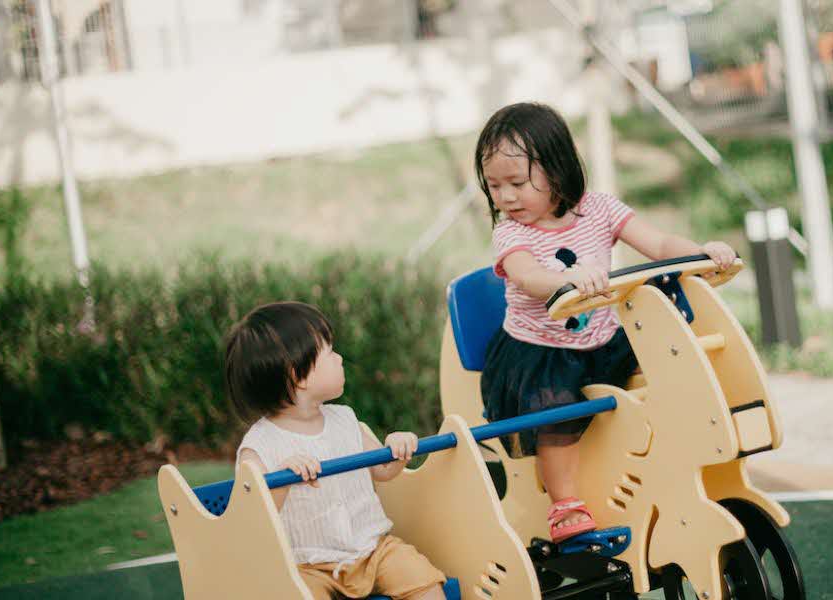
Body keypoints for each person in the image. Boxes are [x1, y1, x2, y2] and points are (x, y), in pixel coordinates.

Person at [474, 102, 738, 543]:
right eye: (494, 186)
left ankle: (676, 452)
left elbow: (657, 242)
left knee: (660, 354)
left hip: (601, 338)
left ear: (556, 170)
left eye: (517, 183)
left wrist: (700, 253)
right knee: (557, 412)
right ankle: (564, 505)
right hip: (540, 354)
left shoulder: (598, 209)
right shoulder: (512, 233)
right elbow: (528, 276)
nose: (505, 197)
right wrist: (563, 280)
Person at [226, 301, 446, 600]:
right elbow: (252, 511)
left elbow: (383, 470)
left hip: (373, 550)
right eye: (329, 352)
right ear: (297, 376)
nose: (339, 358)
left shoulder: (345, 419)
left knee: (421, 577)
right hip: (305, 565)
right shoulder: (259, 446)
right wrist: (281, 479)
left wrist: (397, 448)